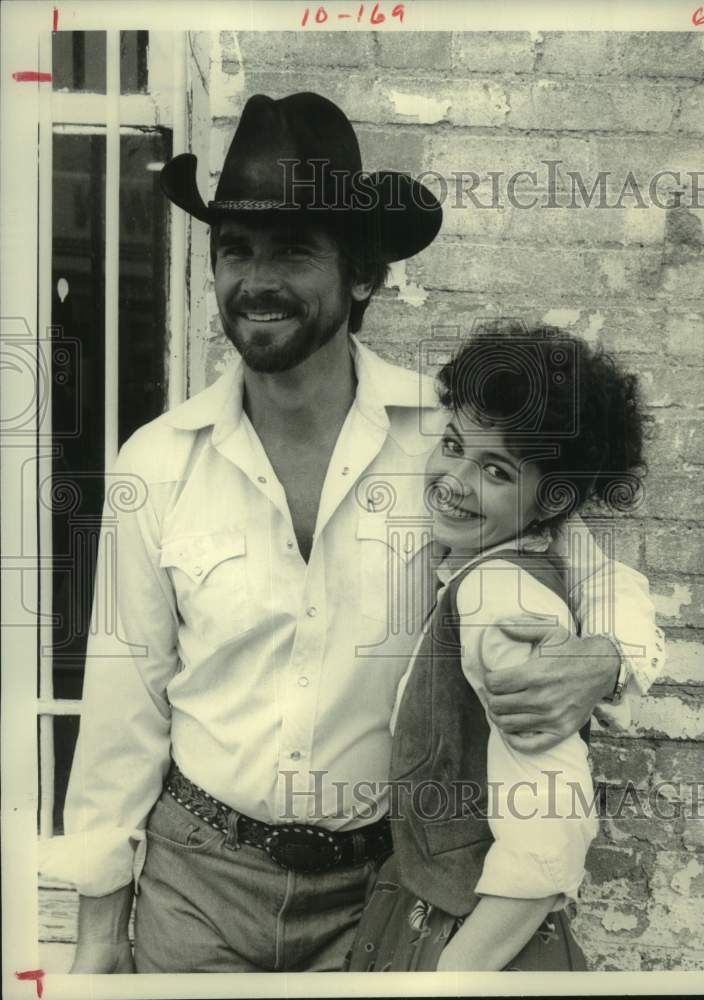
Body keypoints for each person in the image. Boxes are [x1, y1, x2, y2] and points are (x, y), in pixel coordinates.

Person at [40, 92, 666, 974]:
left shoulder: (444, 442)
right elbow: (122, 704)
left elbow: (599, 576)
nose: (255, 280)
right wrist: (98, 936)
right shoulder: (157, 461)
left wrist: (605, 657)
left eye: (293, 251)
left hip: (383, 895)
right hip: (195, 890)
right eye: (234, 251)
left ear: (362, 275)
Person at [348, 329, 646, 971]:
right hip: (441, 908)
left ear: (553, 502)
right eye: (454, 445)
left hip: (476, 942)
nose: (454, 480)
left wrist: (452, 975)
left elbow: (550, 832)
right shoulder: (494, 564)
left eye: (495, 470)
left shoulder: (499, 595)